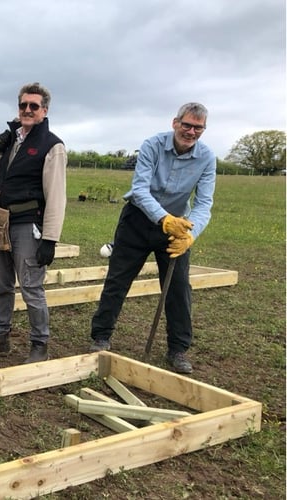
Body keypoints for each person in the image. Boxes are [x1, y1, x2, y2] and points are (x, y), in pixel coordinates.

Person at [88, 102, 216, 374]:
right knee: (118, 279)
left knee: (178, 288)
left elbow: (204, 203)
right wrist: (163, 219)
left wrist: (190, 235)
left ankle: (178, 349)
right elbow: (140, 190)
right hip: (137, 219)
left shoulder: (206, 158)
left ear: (203, 130)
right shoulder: (152, 145)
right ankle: (101, 337)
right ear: (175, 123)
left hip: (177, 227)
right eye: (187, 125)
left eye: (197, 128)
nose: (191, 132)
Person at [0, 82, 67, 363]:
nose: (27, 110)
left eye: (33, 106)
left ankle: (39, 344)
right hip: (2, 221)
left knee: (31, 287)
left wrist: (50, 239)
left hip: (28, 224)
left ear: (44, 110)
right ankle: (0, 337)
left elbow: (56, 196)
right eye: (23, 105)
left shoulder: (52, 146)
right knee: (0, 283)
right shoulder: (12, 138)